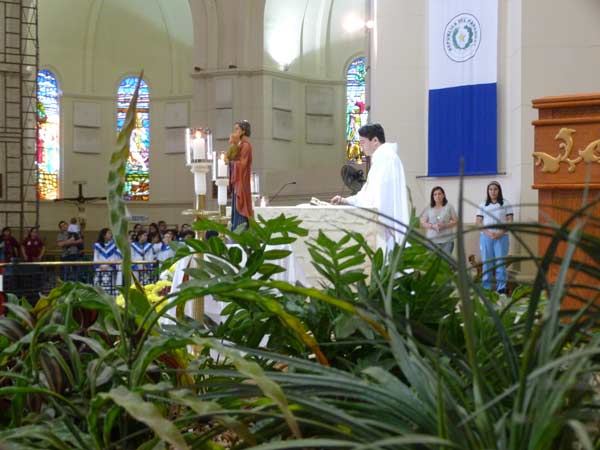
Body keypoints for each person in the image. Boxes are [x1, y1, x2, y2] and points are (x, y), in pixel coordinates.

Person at [330, 123, 410, 253]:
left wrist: (375, 219)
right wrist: (345, 200)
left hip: (383, 226)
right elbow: (367, 194)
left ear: (375, 141)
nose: (361, 147)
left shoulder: (388, 159)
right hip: (377, 222)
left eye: (362, 142)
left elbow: (384, 199)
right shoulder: (380, 159)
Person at [476, 181, 514, 294]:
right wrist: (488, 233)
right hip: (486, 237)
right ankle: (486, 287)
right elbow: (478, 222)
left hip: (501, 237)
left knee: (500, 263)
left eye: (495, 189)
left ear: (499, 191)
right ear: (488, 191)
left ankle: (501, 287)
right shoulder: (483, 204)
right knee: (487, 263)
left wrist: (500, 233)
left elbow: (510, 221)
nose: (493, 191)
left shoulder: (505, 204)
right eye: (490, 189)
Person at [227, 120, 254, 230]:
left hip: (241, 180)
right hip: (237, 180)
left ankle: (241, 227)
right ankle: (235, 227)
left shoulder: (246, 146)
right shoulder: (240, 145)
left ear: (243, 131)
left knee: (241, 203)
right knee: (236, 204)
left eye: (237, 129)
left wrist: (231, 163)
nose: (235, 132)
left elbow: (242, 165)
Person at [420, 186, 458, 254]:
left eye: (439, 194)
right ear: (433, 196)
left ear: (443, 195)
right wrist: (432, 226)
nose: (437, 196)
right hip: (432, 241)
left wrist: (445, 225)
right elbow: (423, 222)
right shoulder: (428, 207)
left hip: (447, 241)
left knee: (445, 260)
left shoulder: (449, 206)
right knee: (432, 260)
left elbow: (456, 221)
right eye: (435, 194)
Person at [93, 228, 122, 295]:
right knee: (99, 287)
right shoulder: (97, 245)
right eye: (108, 233)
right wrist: (100, 266)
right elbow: (96, 257)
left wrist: (108, 265)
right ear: (104, 235)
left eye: (110, 233)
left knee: (110, 287)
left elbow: (115, 257)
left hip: (110, 268)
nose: (110, 234)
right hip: (100, 269)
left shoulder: (114, 245)